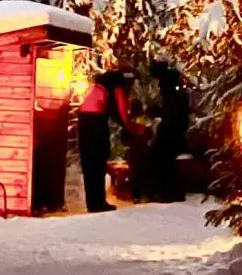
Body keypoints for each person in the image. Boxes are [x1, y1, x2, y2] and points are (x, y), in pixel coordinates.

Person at [77, 69, 139, 212]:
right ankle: (98, 204)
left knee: (89, 166)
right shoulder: (116, 87)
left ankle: (92, 203)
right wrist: (133, 128)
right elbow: (121, 112)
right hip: (96, 123)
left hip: (83, 123)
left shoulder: (97, 87)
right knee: (98, 163)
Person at [147, 60, 190, 202]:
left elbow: (174, 117)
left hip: (172, 134)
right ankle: (168, 191)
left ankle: (168, 192)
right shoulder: (176, 95)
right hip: (173, 133)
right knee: (164, 160)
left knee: (163, 160)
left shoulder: (174, 95)